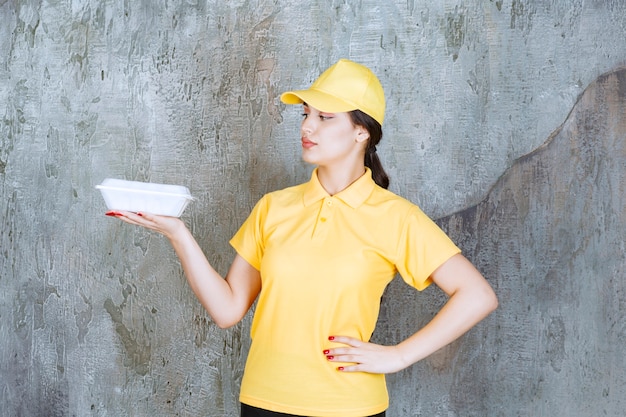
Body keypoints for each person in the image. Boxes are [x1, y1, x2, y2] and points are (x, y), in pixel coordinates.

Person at [106, 58, 498, 417]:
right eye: (306, 114)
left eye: (326, 117)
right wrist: (178, 233)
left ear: (362, 131)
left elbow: (477, 295)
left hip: (349, 407)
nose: (307, 127)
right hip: (262, 400)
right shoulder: (273, 208)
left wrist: (397, 356)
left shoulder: (396, 217)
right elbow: (227, 311)